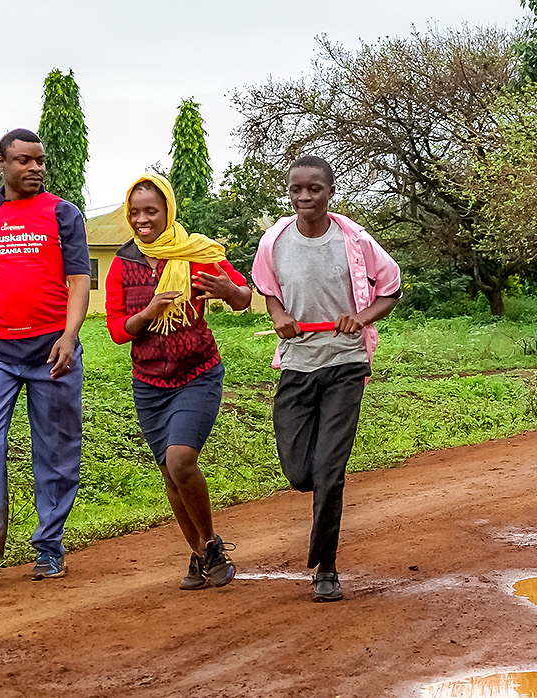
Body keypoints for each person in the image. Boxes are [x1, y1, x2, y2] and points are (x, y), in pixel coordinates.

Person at [251, 155, 402, 602]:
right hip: (297, 364)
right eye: (297, 189)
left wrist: (360, 318)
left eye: (314, 189)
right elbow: (268, 291)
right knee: (301, 473)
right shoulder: (274, 241)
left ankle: (326, 568)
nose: (304, 197)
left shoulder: (355, 240)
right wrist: (278, 316)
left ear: (330, 191)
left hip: (345, 364)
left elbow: (389, 288)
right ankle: (315, 489)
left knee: (330, 470)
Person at [0, 128, 90, 588]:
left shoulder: (63, 215)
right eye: (24, 161)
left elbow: (79, 282)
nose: (35, 168)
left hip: (53, 350)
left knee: (55, 451)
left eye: (40, 161)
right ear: (2, 163)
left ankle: (49, 545)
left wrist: (70, 337)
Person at [105, 174, 252, 590]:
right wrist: (150, 311)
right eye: (134, 212)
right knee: (169, 474)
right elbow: (118, 330)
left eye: (151, 211)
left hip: (197, 375)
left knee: (180, 459)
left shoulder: (195, 253)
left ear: (168, 210)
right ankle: (199, 554)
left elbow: (243, 298)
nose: (142, 219)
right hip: (149, 382)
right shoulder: (123, 263)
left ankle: (211, 546)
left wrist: (228, 289)